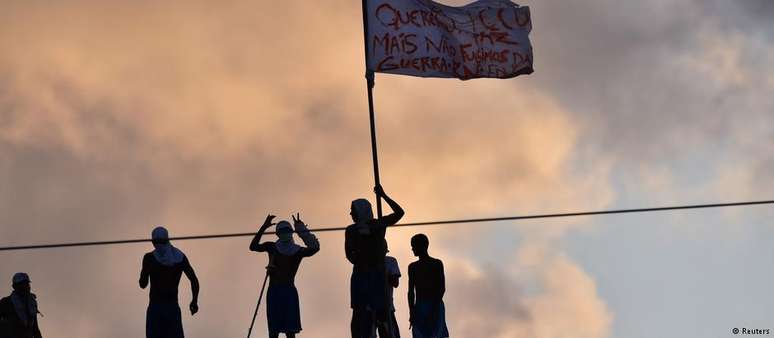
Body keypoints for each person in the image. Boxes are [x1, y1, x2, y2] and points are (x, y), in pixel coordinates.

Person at [346, 185, 404, 338]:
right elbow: (349, 255)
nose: (351, 213)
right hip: (360, 277)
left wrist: (383, 196)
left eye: (353, 210)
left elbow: (399, 213)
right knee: (360, 318)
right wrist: (364, 256)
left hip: (377, 277)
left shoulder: (378, 225)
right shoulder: (351, 230)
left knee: (382, 315)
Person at [250, 213, 320, 338]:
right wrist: (264, 227)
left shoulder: (298, 251)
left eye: (287, 230)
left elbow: (315, 248)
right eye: (282, 231)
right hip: (274, 292)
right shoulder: (272, 247)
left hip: (289, 292)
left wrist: (301, 229)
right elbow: (253, 246)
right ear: (277, 234)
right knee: (273, 331)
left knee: (290, 331)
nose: (285, 233)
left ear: (291, 232)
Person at [139, 226, 200, 338]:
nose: (157, 246)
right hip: (158, 308)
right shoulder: (152, 258)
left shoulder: (178, 258)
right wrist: (194, 301)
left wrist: (194, 301)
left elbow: (194, 279)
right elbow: (143, 284)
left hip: (168, 309)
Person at [407, 234, 448, 338]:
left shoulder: (436, 264)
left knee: (436, 334)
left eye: (414, 246)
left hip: (435, 305)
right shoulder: (412, 267)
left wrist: (434, 309)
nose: (412, 249)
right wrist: (412, 312)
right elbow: (411, 292)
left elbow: (441, 288)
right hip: (420, 307)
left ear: (422, 246)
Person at [372, 240, 401, 338]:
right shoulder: (367, 263)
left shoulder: (390, 261)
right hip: (370, 308)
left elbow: (395, 283)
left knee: (392, 334)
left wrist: (383, 273)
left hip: (386, 306)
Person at [0, 273, 42, 338]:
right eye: (21, 284)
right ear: (14, 286)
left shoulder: (32, 303)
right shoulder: (6, 302)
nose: (25, 286)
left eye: (26, 284)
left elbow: (35, 328)